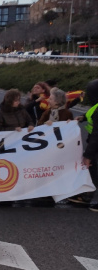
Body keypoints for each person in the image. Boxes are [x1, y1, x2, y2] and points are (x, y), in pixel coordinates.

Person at [69, 79, 98, 209]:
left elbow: (97, 134)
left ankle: (88, 196)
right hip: (94, 142)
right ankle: (87, 195)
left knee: (93, 168)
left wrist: (88, 155)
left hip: (95, 143)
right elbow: (92, 112)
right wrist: (84, 117)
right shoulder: (96, 107)